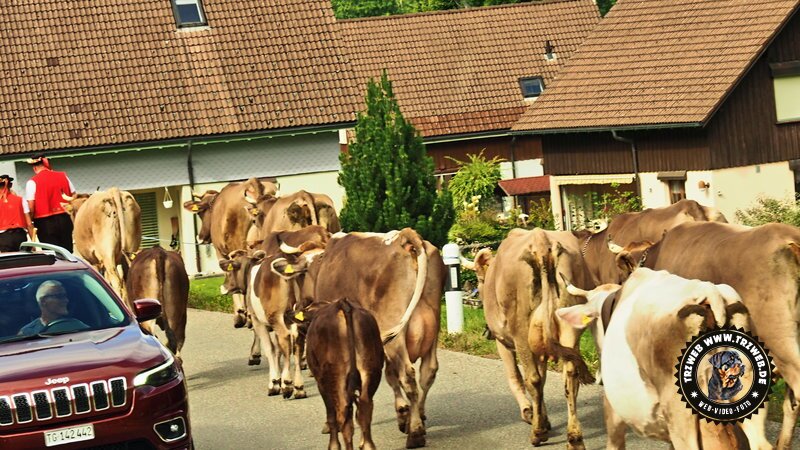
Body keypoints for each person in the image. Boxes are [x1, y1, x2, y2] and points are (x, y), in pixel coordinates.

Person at [25, 154, 76, 252]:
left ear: (34, 167)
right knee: (67, 250)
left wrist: (30, 220)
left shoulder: (32, 182)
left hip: (44, 223)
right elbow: (74, 195)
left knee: (51, 252)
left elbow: (31, 206)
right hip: (65, 218)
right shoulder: (63, 176)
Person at [18, 280, 88, 336]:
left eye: (65, 296)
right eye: (59, 296)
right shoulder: (28, 332)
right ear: (43, 301)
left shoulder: (79, 326)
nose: (66, 300)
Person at [0, 175, 34, 252]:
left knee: (9, 259)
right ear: (11, 185)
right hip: (20, 236)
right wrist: (33, 242)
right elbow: (29, 224)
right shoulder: (20, 200)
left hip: (4, 238)